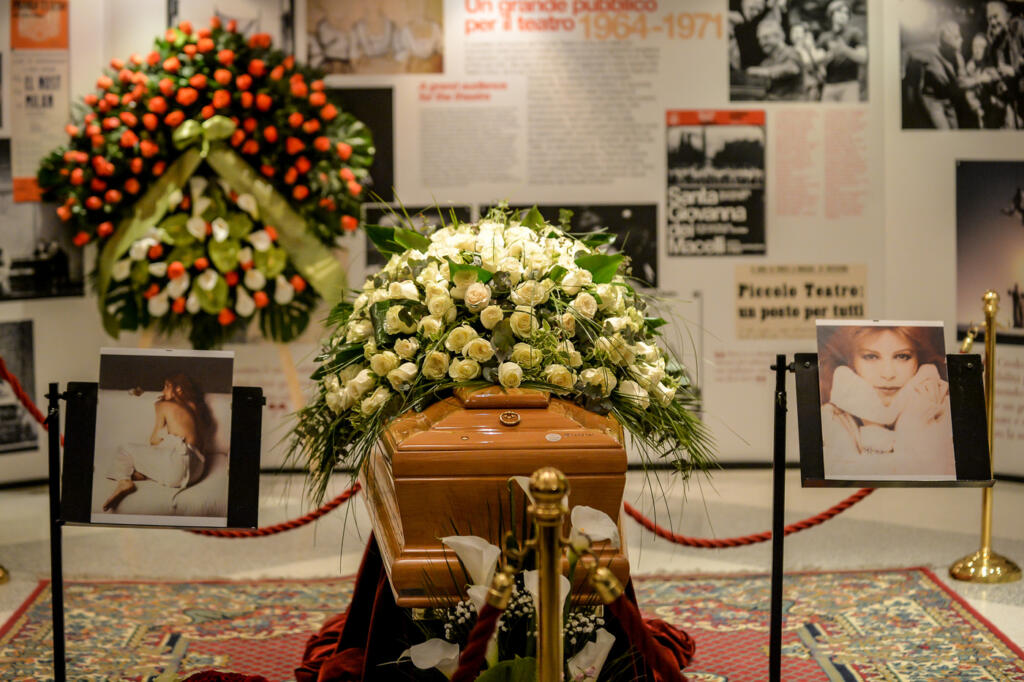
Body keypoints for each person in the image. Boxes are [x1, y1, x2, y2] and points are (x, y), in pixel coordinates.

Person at [818, 325, 956, 479]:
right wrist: (875, 424)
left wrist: (912, 424)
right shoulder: (831, 417)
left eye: (902, 356)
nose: (888, 374)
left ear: (919, 359)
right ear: (851, 361)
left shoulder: (946, 410)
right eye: (871, 357)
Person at [102, 374, 212, 511]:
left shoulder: (163, 405)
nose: (162, 391)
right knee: (165, 454)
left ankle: (124, 481)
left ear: (178, 389)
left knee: (125, 449)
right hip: (197, 471)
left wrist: (164, 433)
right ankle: (143, 473)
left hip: (177, 469)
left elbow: (154, 441)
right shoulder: (194, 406)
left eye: (166, 386)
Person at [816, 0, 867, 102]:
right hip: (829, 86)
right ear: (831, 14)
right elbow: (817, 60)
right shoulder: (824, 37)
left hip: (849, 85)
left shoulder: (855, 33)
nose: (843, 15)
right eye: (839, 11)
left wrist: (844, 49)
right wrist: (829, 56)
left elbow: (863, 57)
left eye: (846, 13)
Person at [746, 19, 805, 100]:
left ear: (779, 36)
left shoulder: (791, 53)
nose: (762, 43)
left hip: (792, 104)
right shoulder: (766, 62)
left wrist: (762, 71)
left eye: (766, 38)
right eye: (759, 39)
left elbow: (792, 69)